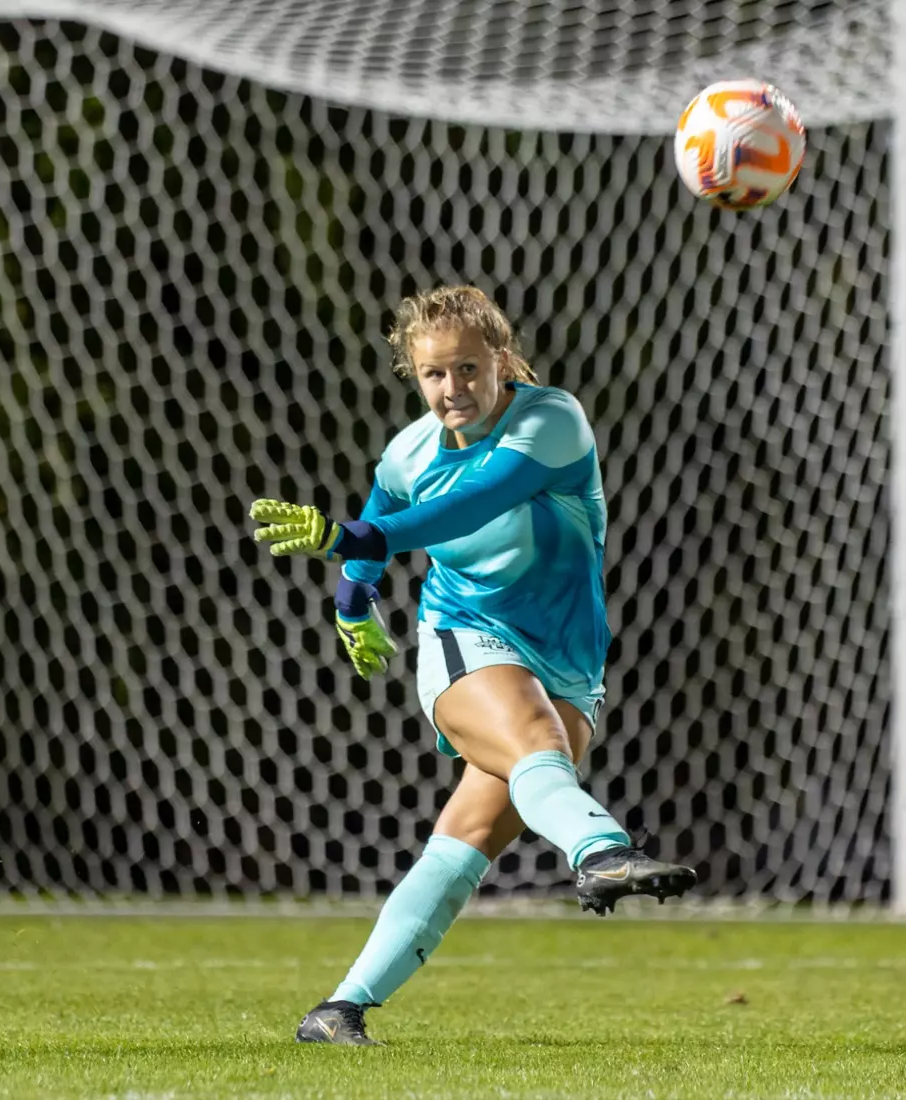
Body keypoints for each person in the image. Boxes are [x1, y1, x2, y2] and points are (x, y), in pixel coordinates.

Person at [249, 285, 697, 1046]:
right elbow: (381, 522)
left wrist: (347, 542)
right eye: (433, 375)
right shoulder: (409, 452)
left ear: (500, 360)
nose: (451, 390)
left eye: (466, 370)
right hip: (464, 637)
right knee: (534, 742)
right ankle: (602, 851)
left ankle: (338, 1009)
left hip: (568, 662)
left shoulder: (551, 421)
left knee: (463, 843)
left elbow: (462, 509)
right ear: (412, 375)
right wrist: (352, 608)